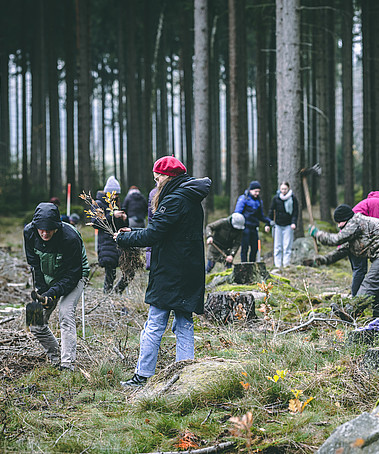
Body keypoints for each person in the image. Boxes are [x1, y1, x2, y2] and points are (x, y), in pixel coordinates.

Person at [115, 156, 211, 387]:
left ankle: (143, 375)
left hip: (170, 272)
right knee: (184, 322)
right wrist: (135, 231)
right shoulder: (188, 197)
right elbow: (165, 230)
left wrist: (124, 238)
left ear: (167, 176)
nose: (155, 179)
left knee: (155, 324)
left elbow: (154, 234)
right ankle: (185, 376)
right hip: (188, 271)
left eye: (157, 174)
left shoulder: (174, 199)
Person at [308, 204, 379, 318]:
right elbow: (342, 250)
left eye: (339, 222)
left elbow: (336, 240)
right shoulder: (355, 230)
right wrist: (323, 260)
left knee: (370, 282)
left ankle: (351, 312)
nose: (339, 226)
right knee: (377, 283)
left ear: (345, 219)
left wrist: (317, 234)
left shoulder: (355, 222)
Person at [23, 202, 90, 371]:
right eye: (41, 229)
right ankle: (56, 358)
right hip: (46, 278)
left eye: (49, 229)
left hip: (75, 276)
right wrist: (42, 292)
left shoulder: (70, 238)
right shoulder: (29, 232)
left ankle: (67, 365)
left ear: (57, 227)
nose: (45, 233)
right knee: (35, 322)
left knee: (65, 314)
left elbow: (72, 275)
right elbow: (34, 265)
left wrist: (52, 294)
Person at [94, 176, 129, 294]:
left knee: (129, 272)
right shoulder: (98, 204)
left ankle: (115, 293)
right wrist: (113, 215)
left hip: (119, 243)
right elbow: (95, 223)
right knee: (110, 274)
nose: (115, 196)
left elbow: (121, 226)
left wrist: (124, 219)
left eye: (117, 194)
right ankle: (107, 298)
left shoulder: (115, 204)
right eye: (113, 193)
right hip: (106, 243)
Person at [234, 181, 271, 262]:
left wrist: (269, 222)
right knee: (245, 248)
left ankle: (252, 265)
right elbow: (237, 214)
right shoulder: (243, 199)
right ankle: (244, 265)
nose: (257, 193)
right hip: (245, 228)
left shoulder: (259, 201)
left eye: (258, 192)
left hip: (254, 227)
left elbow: (260, 216)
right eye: (255, 191)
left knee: (255, 248)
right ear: (250, 190)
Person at [268, 182, 299, 268]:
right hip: (278, 225)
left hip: (288, 225)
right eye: (282, 189)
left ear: (288, 188)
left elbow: (295, 212)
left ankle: (286, 264)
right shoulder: (276, 198)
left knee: (287, 245)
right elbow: (271, 211)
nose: (284, 191)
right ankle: (277, 264)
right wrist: (269, 223)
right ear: (280, 189)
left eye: (285, 189)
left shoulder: (293, 198)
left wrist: (293, 223)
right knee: (277, 246)